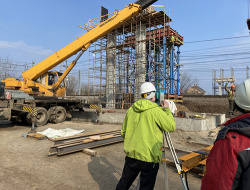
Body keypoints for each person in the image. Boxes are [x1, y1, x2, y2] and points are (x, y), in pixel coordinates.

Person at [116, 82, 176, 190]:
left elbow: (123, 132)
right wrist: (167, 110)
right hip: (149, 157)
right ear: (153, 96)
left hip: (132, 155)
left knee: (124, 184)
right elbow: (171, 126)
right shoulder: (156, 111)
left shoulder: (131, 110)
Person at [201, 79, 250, 190]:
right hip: (232, 103)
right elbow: (226, 89)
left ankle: (232, 113)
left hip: (236, 103)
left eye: (233, 88)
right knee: (230, 110)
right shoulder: (230, 93)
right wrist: (227, 86)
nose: (232, 89)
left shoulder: (231, 140)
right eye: (232, 88)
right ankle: (231, 113)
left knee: (231, 110)